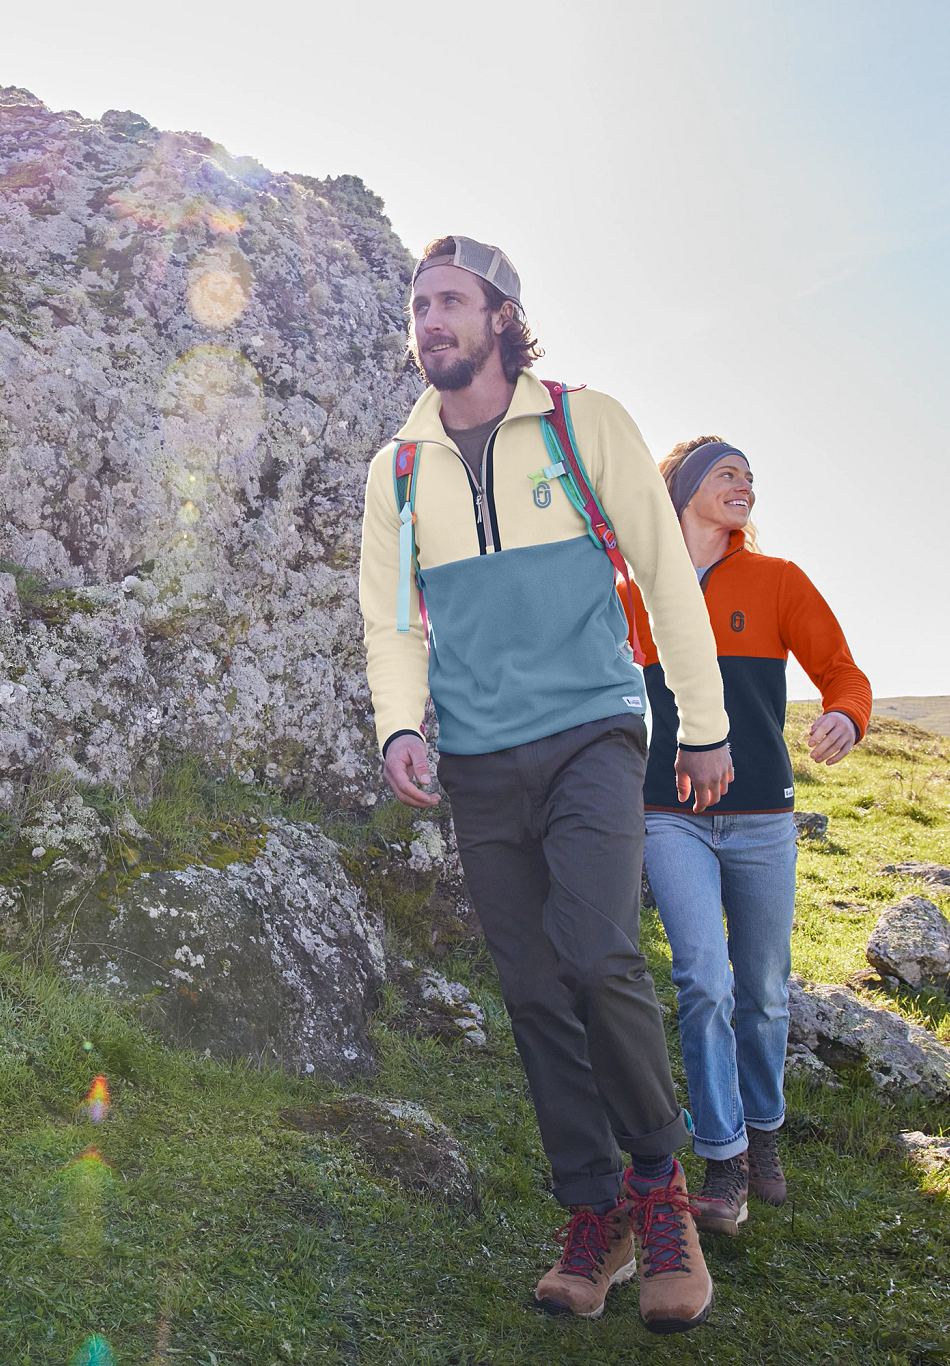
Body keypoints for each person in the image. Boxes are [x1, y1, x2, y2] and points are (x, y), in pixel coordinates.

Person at [359, 236, 733, 1332]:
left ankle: (658, 1187)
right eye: (418, 305)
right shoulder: (395, 470)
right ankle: (591, 1211)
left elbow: (665, 575)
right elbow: (390, 623)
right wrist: (397, 728)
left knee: (597, 951)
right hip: (476, 757)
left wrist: (700, 729)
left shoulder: (582, 422)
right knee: (526, 984)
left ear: (501, 316)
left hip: (588, 734)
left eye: (449, 303)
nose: (429, 321)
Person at [620, 436, 870, 1237]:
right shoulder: (635, 590)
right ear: (685, 487)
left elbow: (844, 672)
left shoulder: (778, 581)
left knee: (763, 991)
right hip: (669, 813)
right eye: (727, 474)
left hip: (764, 817)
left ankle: (764, 1136)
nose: (745, 487)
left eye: (751, 478)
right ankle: (722, 1157)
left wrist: (843, 715)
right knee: (704, 979)